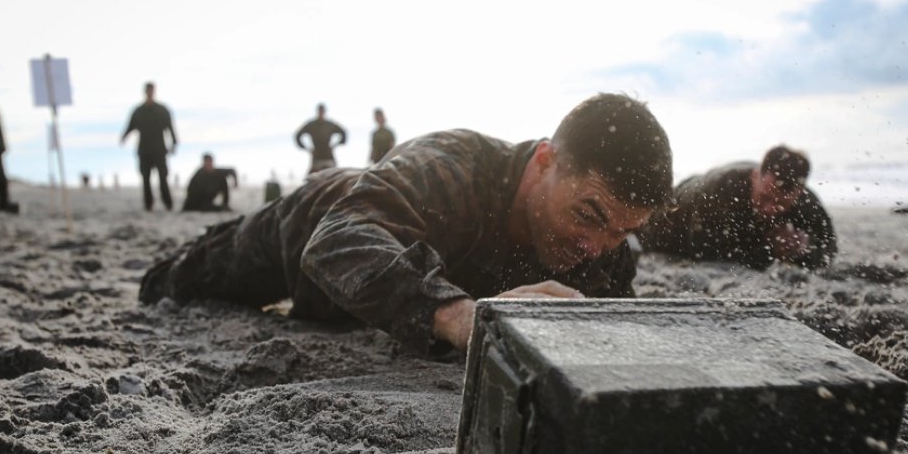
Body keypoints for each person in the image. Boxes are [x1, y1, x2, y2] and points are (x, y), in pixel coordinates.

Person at [141, 93, 673, 353]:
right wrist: (464, 317)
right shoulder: (453, 165)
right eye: (588, 215)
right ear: (543, 162)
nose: (595, 246)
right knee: (177, 282)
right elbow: (337, 239)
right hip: (311, 218)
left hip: (360, 304)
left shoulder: (603, 250)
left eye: (619, 233)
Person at [639, 145, 836, 270]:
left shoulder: (806, 202)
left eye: (781, 204)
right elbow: (704, 250)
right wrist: (771, 250)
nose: (769, 209)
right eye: (764, 197)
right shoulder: (724, 188)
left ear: (798, 193)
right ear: (754, 176)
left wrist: (802, 250)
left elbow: (830, 249)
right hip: (667, 216)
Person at [121, 82, 177, 211]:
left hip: (159, 150)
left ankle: (168, 203)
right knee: (146, 179)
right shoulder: (139, 111)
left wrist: (174, 143)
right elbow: (130, 126)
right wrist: (124, 137)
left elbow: (171, 128)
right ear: (145, 91)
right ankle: (148, 204)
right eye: (148, 90)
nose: (150, 93)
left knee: (163, 178)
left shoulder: (162, 110)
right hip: (144, 150)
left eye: (151, 90)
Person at [294, 103, 347, 174]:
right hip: (317, 156)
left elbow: (343, 132)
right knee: (312, 178)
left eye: (322, 111)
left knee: (335, 175)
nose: (321, 113)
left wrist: (337, 144)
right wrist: (305, 148)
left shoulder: (329, 125)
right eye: (320, 111)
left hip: (328, 155)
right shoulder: (311, 125)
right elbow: (298, 135)